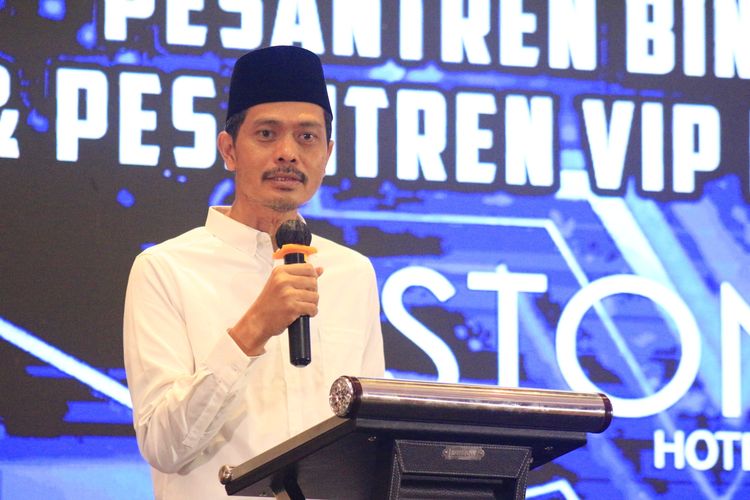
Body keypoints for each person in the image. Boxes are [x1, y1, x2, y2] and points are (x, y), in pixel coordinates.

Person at [123, 45, 385, 500]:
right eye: (267, 134)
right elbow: (164, 446)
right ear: (229, 150)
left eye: (307, 137)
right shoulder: (166, 269)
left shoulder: (352, 273)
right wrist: (253, 329)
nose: (288, 154)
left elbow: (370, 440)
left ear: (327, 153)